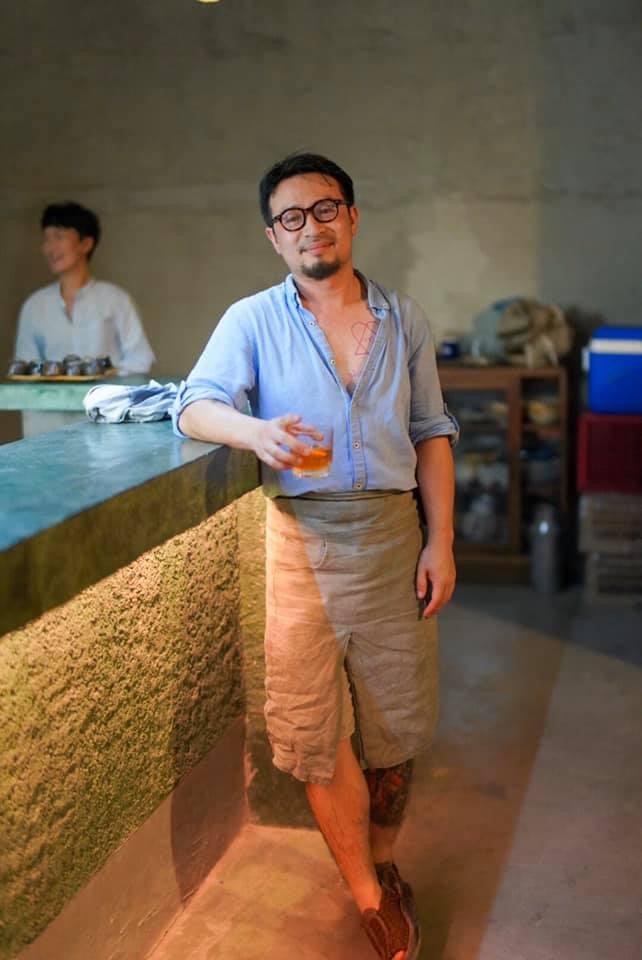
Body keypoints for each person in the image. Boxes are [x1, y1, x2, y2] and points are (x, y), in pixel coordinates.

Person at [173, 153, 458, 960]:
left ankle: (383, 862)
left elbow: (432, 432)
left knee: (397, 725)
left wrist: (440, 540)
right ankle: (369, 896)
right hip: (300, 542)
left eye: (325, 209)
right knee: (311, 725)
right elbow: (193, 405)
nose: (311, 227)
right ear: (274, 237)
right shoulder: (251, 319)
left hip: (393, 536)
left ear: (352, 216)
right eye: (291, 218)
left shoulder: (403, 318)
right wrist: (255, 432)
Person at [15, 202, 155, 374]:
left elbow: (141, 358)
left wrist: (109, 375)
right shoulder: (35, 305)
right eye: (47, 239)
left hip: (105, 391)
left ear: (86, 244)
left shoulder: (116, 299)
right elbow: (25, 366)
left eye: (59, 237)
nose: (49, 248)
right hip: (52, 393)